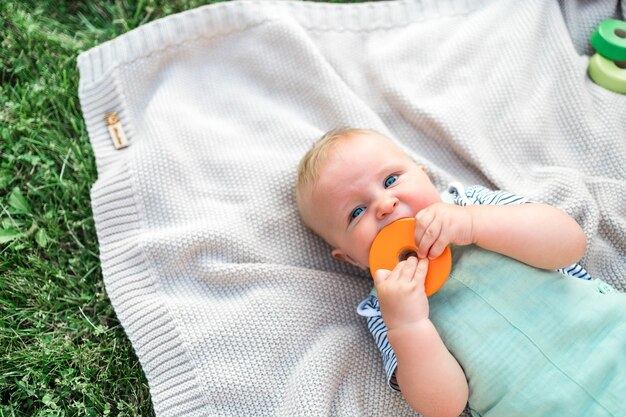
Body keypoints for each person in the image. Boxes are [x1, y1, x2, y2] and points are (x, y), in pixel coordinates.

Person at [295, 128, 625, 417]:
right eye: (356, 212)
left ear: (423, 174)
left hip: (612, 339)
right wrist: (409, 325)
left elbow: (569, 243)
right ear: (350, 258)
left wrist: (474, 223)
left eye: (391, 180)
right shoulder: (385, 310)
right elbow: (445, 406)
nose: (384, 204)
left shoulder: (472, 204)